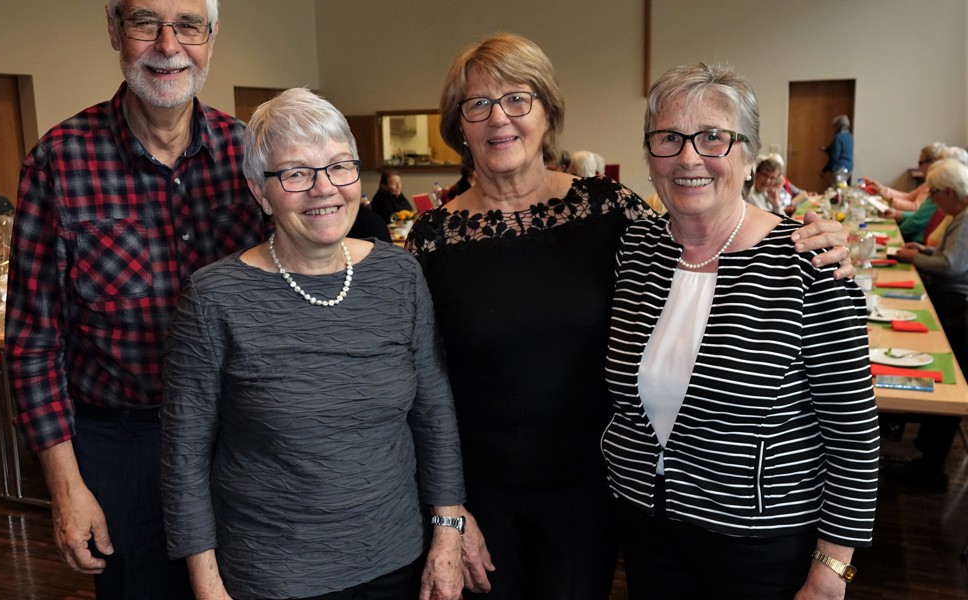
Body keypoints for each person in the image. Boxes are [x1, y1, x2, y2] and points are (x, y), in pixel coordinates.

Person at [406, 34, 852, 600]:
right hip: (485, 493)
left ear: (547, 113)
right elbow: (423, 385)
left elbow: (703, 221)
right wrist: (447, 509)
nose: (500, 119)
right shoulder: (431, 240)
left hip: (596, 493)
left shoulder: (610, 211)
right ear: (458, 126)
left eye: (519, 99)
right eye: (478, 105)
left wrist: (814, 236)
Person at [4, 1, 267, 598]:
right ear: (114, 32)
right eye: (145, 23)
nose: (167, 45)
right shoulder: (59, 161)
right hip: (122, 447)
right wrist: (67, 488)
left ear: (212, 37)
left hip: (241, 436)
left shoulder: (249, 155)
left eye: (188, 25)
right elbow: (33, 344)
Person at [160, 88, 466, 600]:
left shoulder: (400, 276)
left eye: (339, 167)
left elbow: (435, 414)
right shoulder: (214, 297)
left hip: (398, 561)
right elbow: (183, 455)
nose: (324, 189)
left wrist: (448, 534)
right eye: (296, 174)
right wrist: (207, 586)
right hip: (273, 574)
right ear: (261, 192)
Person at [604, 62, 879, 600]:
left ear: (750, 157)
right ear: (649, 154)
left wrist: (832, 569)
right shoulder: (635, 251)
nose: (689, 157)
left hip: (761, 543)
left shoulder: (808, 262)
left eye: (713, 137)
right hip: (645, 527)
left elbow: (854, 436)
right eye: (668, 138)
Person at [891, 157, 968, 492]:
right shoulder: (959, 215)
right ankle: (901, 425)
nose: (932, 200)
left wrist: (914, 257)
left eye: (935, 193)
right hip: (951, 297)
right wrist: (923, 249)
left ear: (950, 192)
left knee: (916, 340)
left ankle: (925, 454)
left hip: (957, 304)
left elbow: (951, 267)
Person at [867, 141, 946, 213]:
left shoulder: (936, 186)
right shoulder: (928, 182)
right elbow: (909, 197)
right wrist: (882, 189)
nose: (919, 167)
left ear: (933, 163)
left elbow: (916, 208)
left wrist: (890, 199)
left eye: (920, 163)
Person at [821, 114, 854, 182]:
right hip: (849, 167)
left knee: (837, 189)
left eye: (835, 127)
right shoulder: (849, 136)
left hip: (840, 168)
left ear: (839, 127)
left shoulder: (838, 137)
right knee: (843, 187)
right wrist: (826, 150)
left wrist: (825, 169)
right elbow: (841, 149)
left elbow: (835, 156)